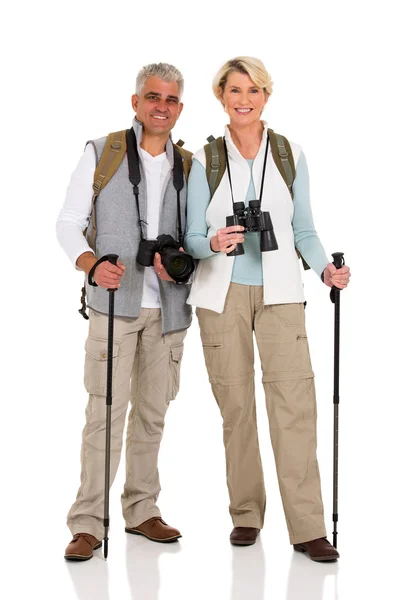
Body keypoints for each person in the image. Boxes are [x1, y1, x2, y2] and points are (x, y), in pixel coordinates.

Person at [184, 56, 351, 561]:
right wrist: (214, 240)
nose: (243, 99)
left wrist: (325, 269)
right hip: (221, 295)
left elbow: (304, 229)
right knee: (237, 410)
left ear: (265, 96)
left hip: (282, 294)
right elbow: (192, 239)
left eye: (253, 90)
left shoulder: (289, 154)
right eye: (234, 90)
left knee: (295, 407)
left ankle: (308, 527)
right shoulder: (203, 162)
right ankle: (246, 515)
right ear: (221, 96)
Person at [57, 62, 192, 561]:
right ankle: (89, 522)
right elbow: (69, 221)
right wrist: (91, 265)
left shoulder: (190, 165)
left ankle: (142, 511)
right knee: (104, 415)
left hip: (170, 310)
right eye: (153, 97)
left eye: (172, 99)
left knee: (152, 416)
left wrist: (182, 266)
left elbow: (197, 240)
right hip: (114, 306)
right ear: (135, 102)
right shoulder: (103, 152)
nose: (162, 106)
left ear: (180, 108)